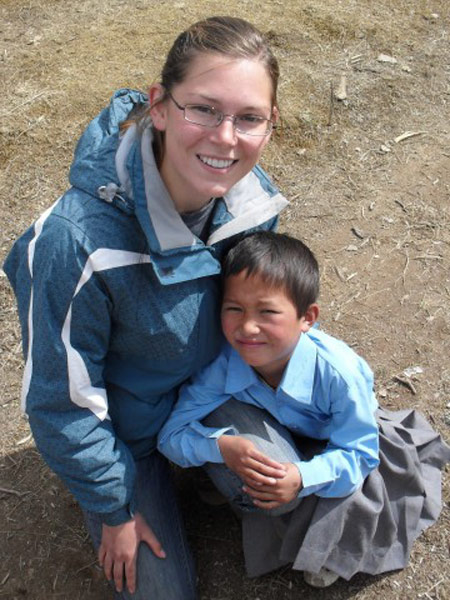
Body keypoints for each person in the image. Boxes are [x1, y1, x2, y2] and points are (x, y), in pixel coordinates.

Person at [3, 17, 288, 599]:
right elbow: (61, 403)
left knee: (287, 487)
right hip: (124, 435)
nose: (226, 138)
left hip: (207, 397)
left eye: (249, 118)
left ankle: (203, 473)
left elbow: (258, 312)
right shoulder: (75, 241)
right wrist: (114, 508)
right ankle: (138, 485)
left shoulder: (252, 201)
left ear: (270, 123)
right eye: (203, 109)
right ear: (158, 105)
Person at [158, 231, 450, 588]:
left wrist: (302, 477)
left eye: (267, 312)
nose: (248, 327)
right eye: (234, 309)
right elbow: (170, 435)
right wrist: (220, 447)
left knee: (350, 499)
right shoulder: (221, 366)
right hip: (282, 429)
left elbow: (358, 452)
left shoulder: (338, 373)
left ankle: (324, 541)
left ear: (307, 317)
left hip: (345, 441)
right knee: (271, 481)